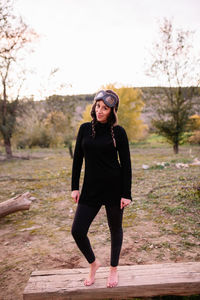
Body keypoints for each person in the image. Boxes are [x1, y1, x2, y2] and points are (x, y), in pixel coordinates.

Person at [71, 89, 132, 288]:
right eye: (98, 106)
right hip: (90, 189)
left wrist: (126, 193)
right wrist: (74, 187)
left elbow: (127, 164)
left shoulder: (119, 132)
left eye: (105, 108)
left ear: (112, 111)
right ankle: (94, 263)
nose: (100, 111)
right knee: (77, 231)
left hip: (114, 188)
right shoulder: (84, 129)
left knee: (115, 229)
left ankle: (114, 269)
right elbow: (78, 159)